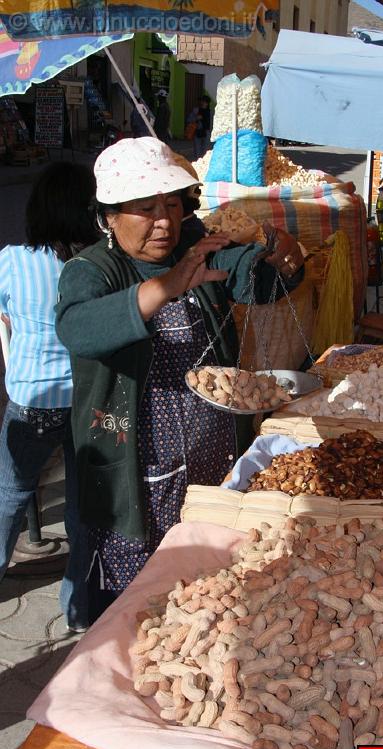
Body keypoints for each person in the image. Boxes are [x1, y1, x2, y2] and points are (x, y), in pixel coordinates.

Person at [55, 137, 304, 622]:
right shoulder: (91, 270)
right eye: (145, 209)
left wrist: (280, 253)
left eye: (172, 204)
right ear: (109, 216)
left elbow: (259, 282)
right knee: (140, 600)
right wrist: (166, 287)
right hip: (138, 472)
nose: (164, 221)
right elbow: (78, 328)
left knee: (205, 584)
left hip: (212, 457)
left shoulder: (196, 245)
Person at [0, 162, 99, 632]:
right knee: (82, 506)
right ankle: (77, 608)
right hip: (86, 401)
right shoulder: (100, 263)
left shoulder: (13, 260)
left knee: (10, 494)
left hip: (32, 400)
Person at [189, 94, 211, 159]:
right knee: (197, 153)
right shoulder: (196, 110)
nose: (202, 103)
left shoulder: (210, 111)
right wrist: (196, 118)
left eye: (204, 101)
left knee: (205, 153)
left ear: (207, 103)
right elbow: (189, 119)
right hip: (197, 132)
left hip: (206, 133)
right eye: (201, 101)